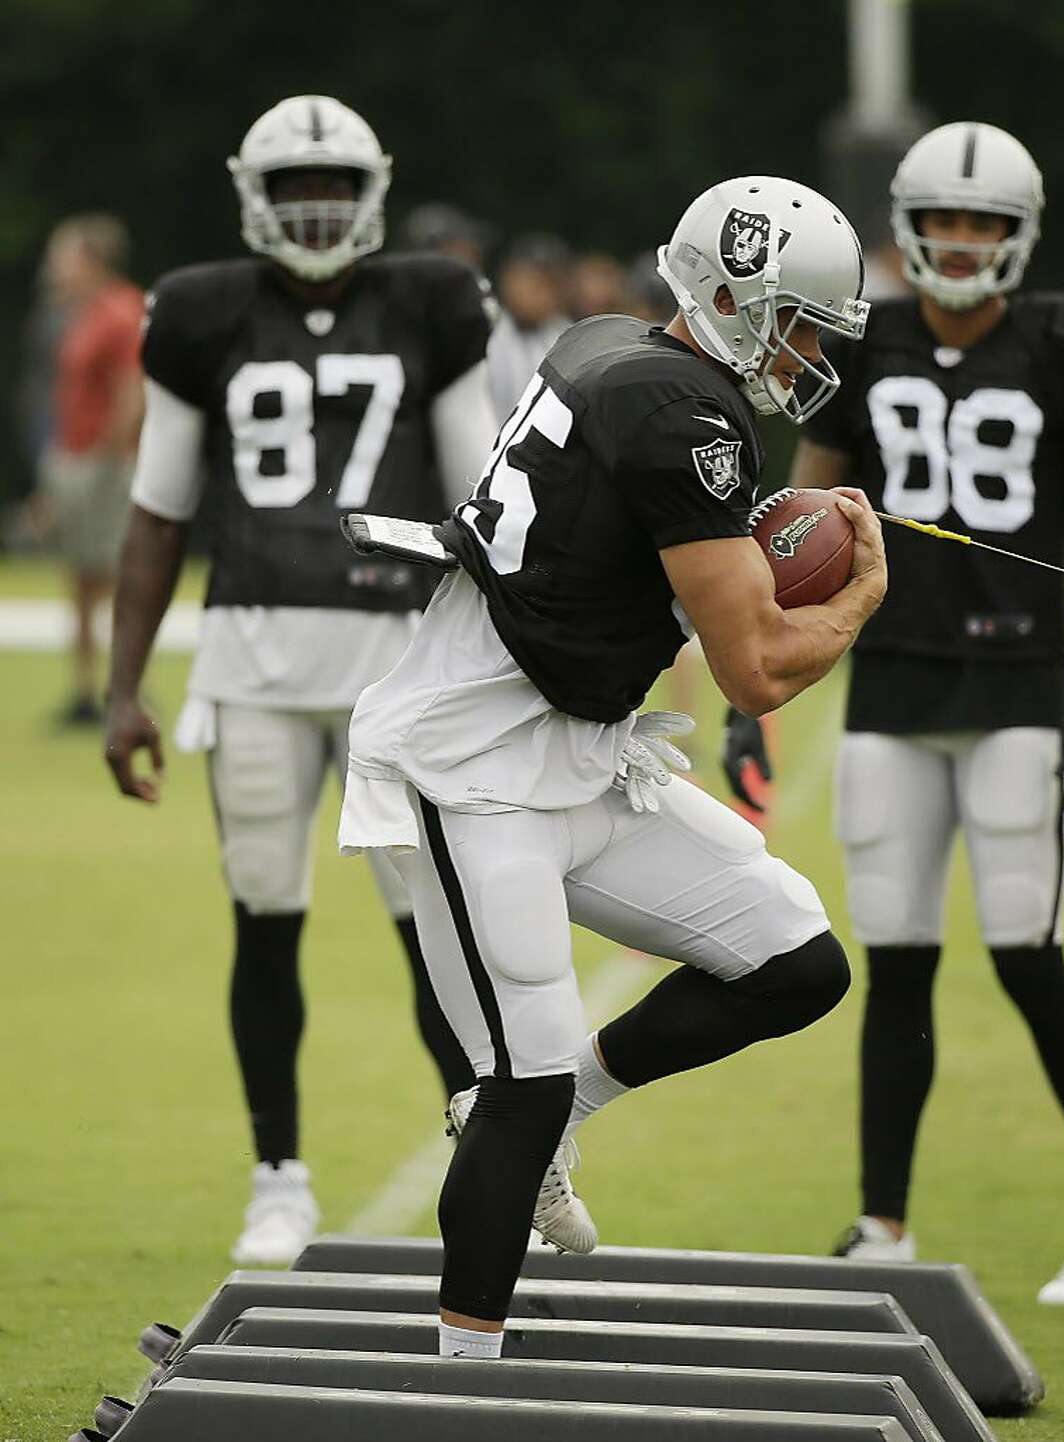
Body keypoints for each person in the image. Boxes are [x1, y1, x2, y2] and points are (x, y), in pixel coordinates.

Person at [338, 175, 885, 1357]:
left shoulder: (608, 344)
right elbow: (754, 670)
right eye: (796, 321)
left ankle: (568, 1102)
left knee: (796, 961)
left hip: (585, 752)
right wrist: (857, 600)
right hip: (473, 766)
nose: (806, 353)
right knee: (516, 1083)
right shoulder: (682, 415)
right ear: (737, 301)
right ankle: (464, 1377)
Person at [731, 121, 1064, 1304]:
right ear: (906, 228)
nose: (962, 245)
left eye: (985, 224)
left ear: (1020, 235)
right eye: (945, 221)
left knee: (1027, 952)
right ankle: (882, 1225)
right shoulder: (864, 340)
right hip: (892, 686)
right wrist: (747, 674)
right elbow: (796, 522)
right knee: (899, 961)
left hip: (1021, 683)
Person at [103, 95, 495, 1265]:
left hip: (400, 665)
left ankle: (503, 1157)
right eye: (294, 188)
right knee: (265, 918)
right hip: (256, 655)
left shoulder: (431, 299)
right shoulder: (202, 310)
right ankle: (279, 1174)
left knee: (435, 930)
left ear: (371, 187)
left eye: (335, 185)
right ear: (254, 196)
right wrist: (124, 686)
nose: (317, 208)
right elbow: (157, 510)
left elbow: (482, 499)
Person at [38, 215, 144, 724]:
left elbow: (131, 389)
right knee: (81, 578)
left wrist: (108, 452)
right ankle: (86, 688)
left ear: (92, 261)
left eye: (66, 257)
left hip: (102, 464)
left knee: (112, 578)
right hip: (77, 458)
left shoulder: (120, 311)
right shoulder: (80, 313)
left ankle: (121, 686)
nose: (57, 268)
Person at [487, 233, 572, 420]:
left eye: (547, 282)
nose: (537, 291)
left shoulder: (572, 339)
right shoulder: (482, 333)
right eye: (528, 280)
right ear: (507, 279)